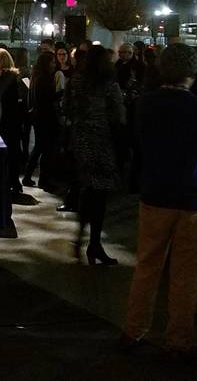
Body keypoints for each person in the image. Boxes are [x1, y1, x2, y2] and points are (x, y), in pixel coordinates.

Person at [121, 44, 197, 363]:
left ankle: (133, 329)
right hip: (191, 196)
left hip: (154, 193)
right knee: (185, 274)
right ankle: (178, 339)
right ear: (193, 73)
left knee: (147, 265)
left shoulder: (144, 104)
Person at [69, 45, 124, 265]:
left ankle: (81, 237)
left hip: (81, 140)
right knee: (99, 194)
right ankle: (93, 242)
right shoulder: (108, 83)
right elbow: (118, 113)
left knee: (87, 189)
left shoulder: (77, 81)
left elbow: (66, 107)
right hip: (102, 141)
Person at [22, 52, 61, 190]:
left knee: (39, 147)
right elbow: (46, 99)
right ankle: (43, 180)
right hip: (46, 118)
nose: (54, 64)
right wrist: (60, 94)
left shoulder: (36, 76)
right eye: (52, 62)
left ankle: (28, 176)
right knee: (46, 149)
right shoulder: (44, 78)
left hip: (38, 117)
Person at [0, 48, 27, 198]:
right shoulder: (14, 77)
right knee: (11, 151)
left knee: (8, 151)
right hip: (12, 121)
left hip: (7, 121)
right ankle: (13, 181)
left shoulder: (5, 78)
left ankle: (10, 182)